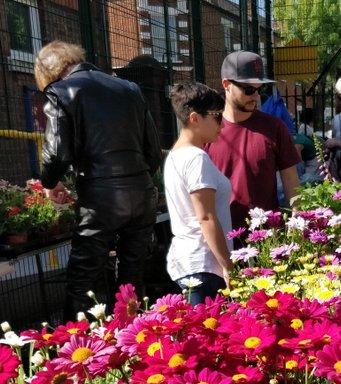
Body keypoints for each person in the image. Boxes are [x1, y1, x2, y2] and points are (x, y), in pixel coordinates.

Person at [34, 40, 162, 320]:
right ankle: (134, 340)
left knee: (82, 279)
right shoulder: (130, 89)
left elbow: (56, 154)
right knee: (131, 275)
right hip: (142, 193)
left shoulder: (60, 91)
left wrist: (50, 182)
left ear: (48, 70)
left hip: (100, 197)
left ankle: (73, 348)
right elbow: (152, 152)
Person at [204, 51, 301, 234]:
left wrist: (297, 214)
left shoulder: (274, 127)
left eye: (260, 89)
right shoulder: (207, 130)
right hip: (222, 238)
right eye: (248, 90)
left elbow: (290, 177)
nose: (255, 96)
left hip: (268, 239)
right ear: (226, 84)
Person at [165, 83, 233, 304]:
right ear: (194, 118)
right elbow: (205, 217)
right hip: (204, 266)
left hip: (190, 263)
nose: (222, 125)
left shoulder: (175, 155)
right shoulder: (196, 158)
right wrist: (228, 265)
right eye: (217, 116)